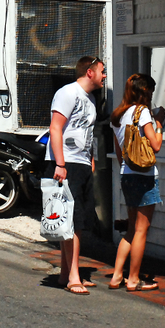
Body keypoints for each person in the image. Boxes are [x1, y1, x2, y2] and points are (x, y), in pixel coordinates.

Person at [46, 55, 106, 295]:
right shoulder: (67, 93)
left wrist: (90, 159)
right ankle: (74, 277)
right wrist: (60, 164)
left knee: (73, 221)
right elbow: (56, 127)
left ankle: (65, 273)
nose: (104, 76)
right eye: (102, 71)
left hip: (81, 163)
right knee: (72, 221)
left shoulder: (90, 99)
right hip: (65, 163)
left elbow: (87, 133)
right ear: (89, 72)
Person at [109, 74, 164, 292]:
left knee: (132, 229)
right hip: (144, 176)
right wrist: (159, 124)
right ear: (144, 92)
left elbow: (119, 152)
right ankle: (133, 279)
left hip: (127, 174)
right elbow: (156, 145)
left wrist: (127, 169)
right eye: (150, 91)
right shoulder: (143, 114)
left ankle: (116, 276)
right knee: (142, 230)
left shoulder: (118, 115)